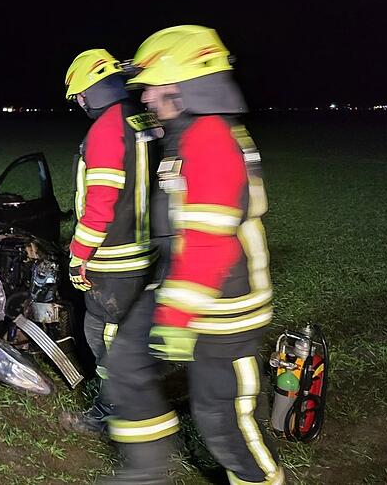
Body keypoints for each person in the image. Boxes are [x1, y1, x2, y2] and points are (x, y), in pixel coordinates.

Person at [103, 26, 284, 484]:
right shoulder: (186, 136)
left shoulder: (209, 139)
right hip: (183, 291)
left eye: (151, 86)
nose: (144, 98)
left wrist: (177, 317)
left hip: (224, 308)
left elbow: (210, 239)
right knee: (125, 364)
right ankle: (146, 474)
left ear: (182, 84)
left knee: (222, 420)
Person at [59, 49, 161, 434]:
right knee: (135, 329)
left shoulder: (105, 130)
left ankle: (113, 409)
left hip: (115, 259)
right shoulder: (145, 119)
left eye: (81, 95)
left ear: (94, 89)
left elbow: (100, 203)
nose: (80, 103)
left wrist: (79, 255)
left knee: (103, 334)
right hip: (148, 249)